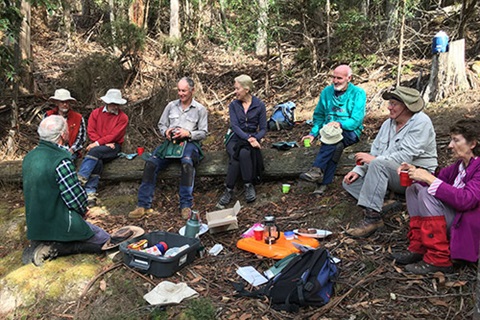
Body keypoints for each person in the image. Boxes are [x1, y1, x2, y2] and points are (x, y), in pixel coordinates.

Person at [342, 86, 437, 238]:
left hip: (415, 176)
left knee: (378, 164)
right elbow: (376, 151)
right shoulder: (388, 124)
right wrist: (357, 170)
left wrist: (374, 160)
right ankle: (385, 202)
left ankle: (373, 218)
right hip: (389, 172)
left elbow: (405, 157)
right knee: (349, 182)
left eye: (393, 103)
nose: (389, 107)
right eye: (390, 103)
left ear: (406, 106)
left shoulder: (421, 122)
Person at [391, 119, 480, 274]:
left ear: (472, 144)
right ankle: (418, 246)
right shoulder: (459, 167)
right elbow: (435, 180)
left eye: (456, 140)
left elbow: (466, 200)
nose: (450, 145)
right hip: (454, 217)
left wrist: (429, 179)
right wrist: (415, 173)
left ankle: (439, 258)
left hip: (466, 224)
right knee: (414, 189)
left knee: (427, 194)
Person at [22, 115, 110, 266]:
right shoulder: (61, 159)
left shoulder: (29, 157)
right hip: (58, 221)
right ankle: (57, 247)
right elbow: (74, 197)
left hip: (36, 225)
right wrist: (83, 210)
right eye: (67, 129)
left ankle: (42, 244)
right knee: (103, 239)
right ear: (63, 135)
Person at [128, 77, 208, 219]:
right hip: (171, 143)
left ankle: (185, 205)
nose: (181, 93)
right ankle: (143, 205)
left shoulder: (200, 109)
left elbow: (203, 132)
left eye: (184, 91)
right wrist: (166, 132)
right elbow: (161, 125)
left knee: (187, 163)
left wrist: (188, 133)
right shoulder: (171, 106)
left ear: (192, 91)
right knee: (151, 162)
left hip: (189, 143)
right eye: (179, 90)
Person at [299, 65, 366, 195]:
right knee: (336, 147)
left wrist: (339, 124)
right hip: (328, 131)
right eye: (333, 77)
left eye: (339, 78)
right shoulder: (326, 92)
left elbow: (356, 120)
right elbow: (319, 116)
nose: (335, 81)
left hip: (350, 131)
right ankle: (323, 183)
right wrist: (313, 133)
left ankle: (317, 169)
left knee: (332, 140)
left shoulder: (358, 93)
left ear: (349, 78)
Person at [216, 74, 267, 209]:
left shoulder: (259, 105)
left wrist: (255, 138)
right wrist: (248, 138)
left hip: (251, 139)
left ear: (247, 89)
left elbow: (263, 129)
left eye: (237, 89)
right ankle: (229, 190)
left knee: (244, 154)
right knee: (236, 154)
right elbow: (235, 126)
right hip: (235, 138)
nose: (235, 92)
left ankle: (248, 185)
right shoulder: (234, 105)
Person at [77, 89, 129, 206]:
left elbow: (115, 135)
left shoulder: (123, 117)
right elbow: (91, 131)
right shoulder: (96, 113)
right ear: (107, 102)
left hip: (114, 147)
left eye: (117, 104)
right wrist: (102, 143)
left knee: (95, 152)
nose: (115, 106)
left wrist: (98, 143)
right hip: (101, 146)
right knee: (98, 161)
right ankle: (90, 194)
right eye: (112, 103)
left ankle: (81, 178)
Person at [46, 88, 86, 159]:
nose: (65, 104)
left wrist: (72, 149)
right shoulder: (48, 116)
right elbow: (44, 135)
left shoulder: (78, 118)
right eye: (62, 102)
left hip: (70, 151)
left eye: (67, 102)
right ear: (57, 103)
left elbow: (81, 138)